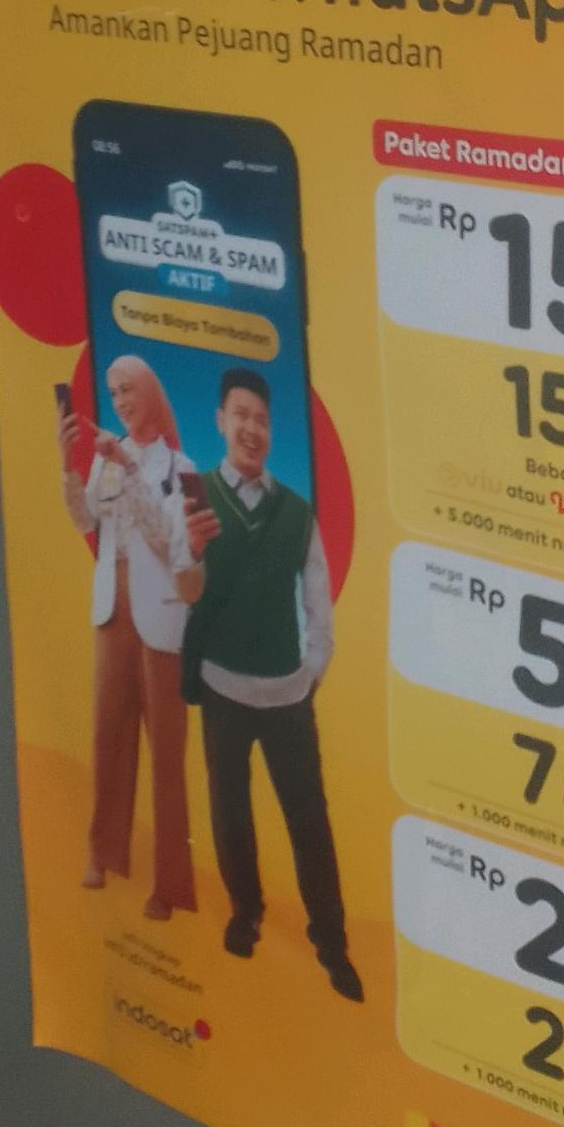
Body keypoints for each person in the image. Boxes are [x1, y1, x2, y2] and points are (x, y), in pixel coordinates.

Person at [183, 366, 362, 1000]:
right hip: (221, 688)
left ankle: (332, 942)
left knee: (309, 821)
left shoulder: (296, 511)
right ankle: (246, 912)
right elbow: (180, 588)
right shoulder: (195, 498)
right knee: (229, 812)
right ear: (220, 421)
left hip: (287, 693)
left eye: (261, 418)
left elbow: (317, 597)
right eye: (241, 415)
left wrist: (313, 669)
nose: (251, 428)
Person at [60, 354, 212, 919]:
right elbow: (86, 522)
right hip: (112, 605)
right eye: (114, 391)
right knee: (108, 734)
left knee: (166, 751)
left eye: (129, 389)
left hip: (163, 614)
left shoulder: (184, 467)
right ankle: (103, 852)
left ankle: (169, 885)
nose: (121, 401)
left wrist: (126, 465)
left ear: (150, 393)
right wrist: (69, 464)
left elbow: (169, 544)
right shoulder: (108, 457)